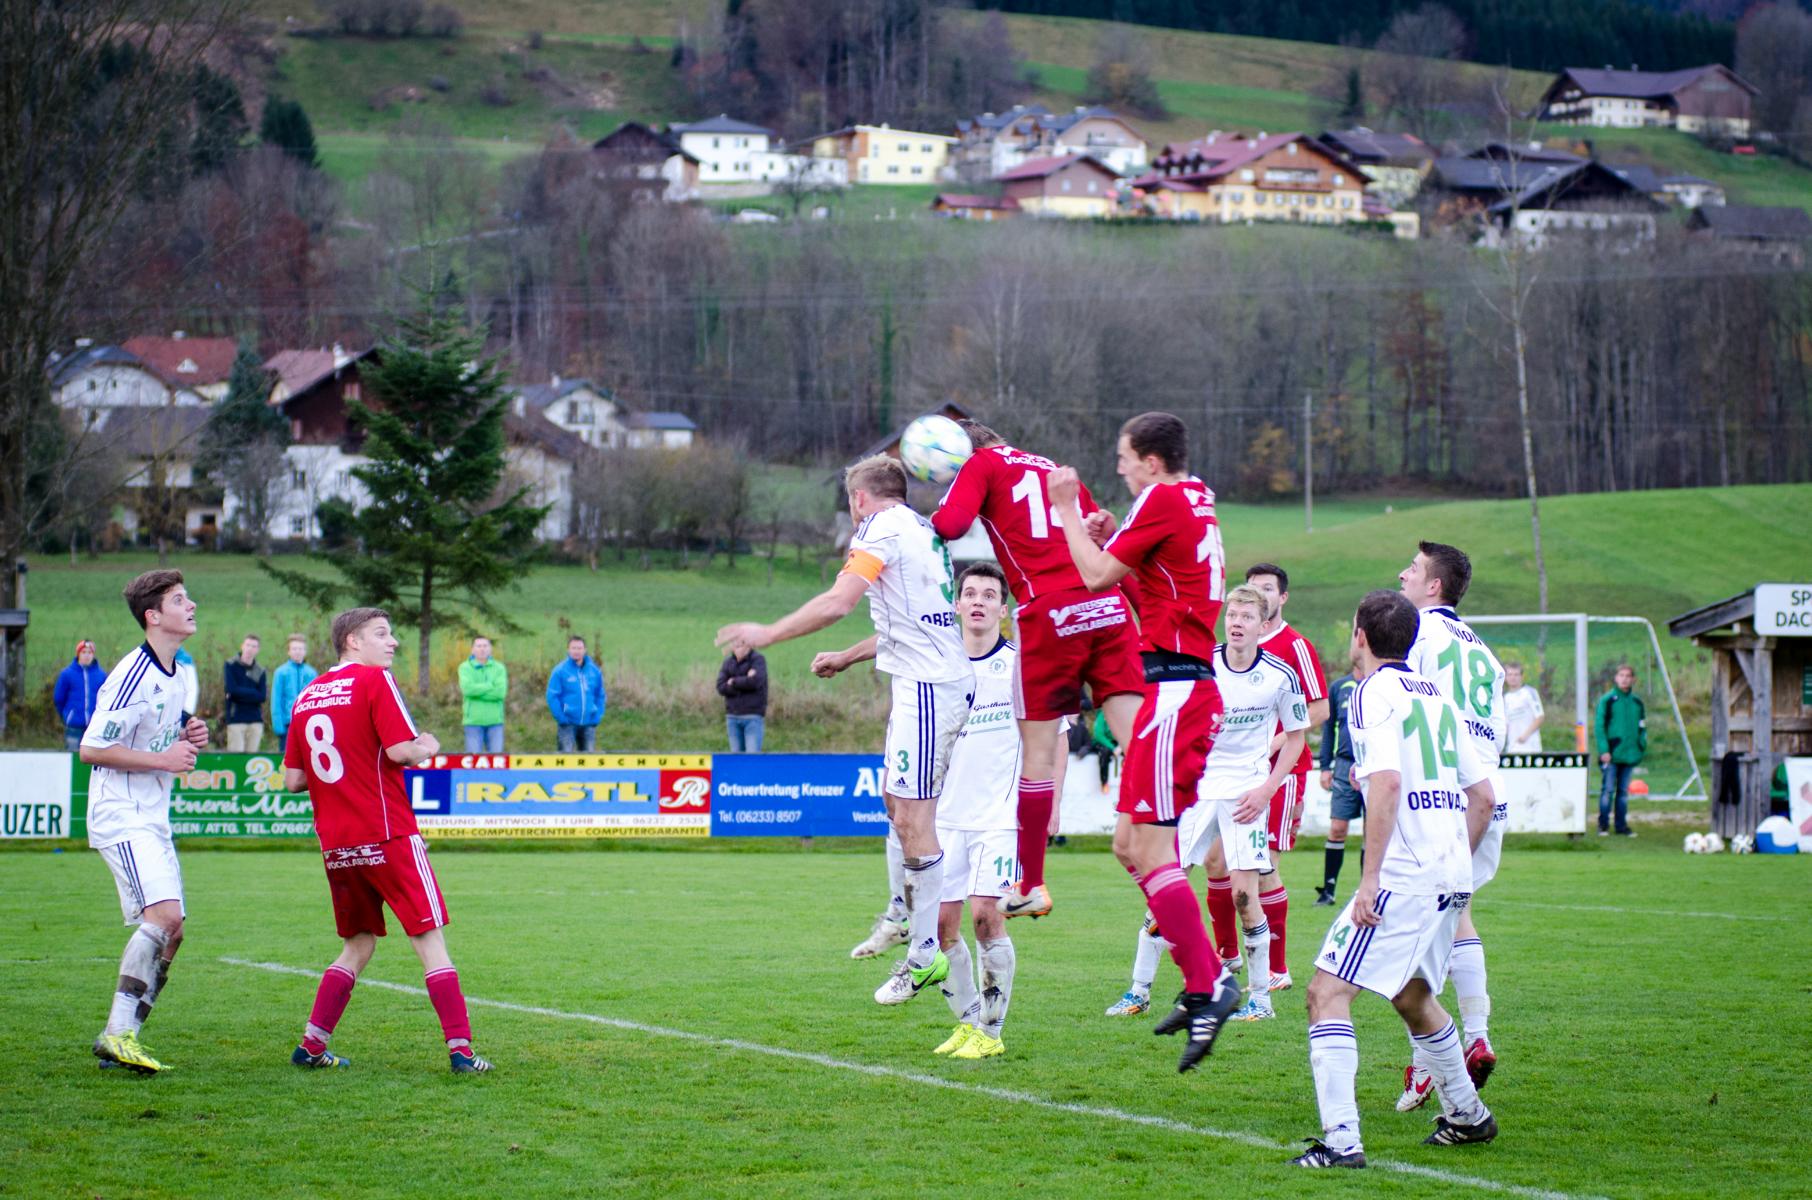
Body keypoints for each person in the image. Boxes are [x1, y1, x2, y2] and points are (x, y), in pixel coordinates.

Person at [723, 454, 972, 1008]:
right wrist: (848, 657)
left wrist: (767, 633)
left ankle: (923, 950)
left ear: (860, 498)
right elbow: (910, 627)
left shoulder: (879, 528)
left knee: (914, 820)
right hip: (926, 684)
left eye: (850, 500)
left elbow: (838, 603)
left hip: (929, 690)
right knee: (897, 806)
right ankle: (911, 923)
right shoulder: (921, 530)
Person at [1047, 412, 1241, 1073]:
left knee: (1154, 851)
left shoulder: (1161, 498)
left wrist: (1069, 512)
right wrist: (1113, 539)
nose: (1120, 467)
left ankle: (1208, 986)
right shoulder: (1193, 496)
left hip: (1178, 689)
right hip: (1172, 686)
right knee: (1129, 844)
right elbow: (1153, 584)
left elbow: (1095, 577)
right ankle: (1207, 975)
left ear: (1151, 462)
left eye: (1125, 457)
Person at [1292, 590, 1499, 1168]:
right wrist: (1452, 861)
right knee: (1413, 996)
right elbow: (1483, 797)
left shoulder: (1368, 693)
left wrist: (1370, 880)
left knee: (1326, 993)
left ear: (1359, 635)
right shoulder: (1437, 696)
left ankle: (1342, 1143)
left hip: (1404, 878)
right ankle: (1469, 1116)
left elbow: (1384, 784)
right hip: (1449, 874)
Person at [929, 420, 1146, 921]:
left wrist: (935, 511)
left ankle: (1031, 883)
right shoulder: (1055, 470)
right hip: (1108, 607)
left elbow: (951, 524)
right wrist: (1144, 616)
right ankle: (1161, 858)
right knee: (1137, 741)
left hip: (1050, 613)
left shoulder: (980, 464)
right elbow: (1111, 550)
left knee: (1038, 753)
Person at [282, 606, 492, 1073]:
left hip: (338, 844)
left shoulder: (307, 695)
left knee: (358, 944)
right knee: (429, 940)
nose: (393, 641)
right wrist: (428, 746)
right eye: (382, 633)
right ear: (352, 641)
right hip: (387, 833)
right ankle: (461, 1052)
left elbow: (292, 779)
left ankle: (312, 1046)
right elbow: (401, 751)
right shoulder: (375, 680)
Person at [1107, 584, 1307, 1023]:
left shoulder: (1280, 675)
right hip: (1198, 790)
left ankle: (1261, 1000)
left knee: (1243, 895)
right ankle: (1138, 991)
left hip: (1246, 794)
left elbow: (1296, 739)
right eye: (1231, 615)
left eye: (1246, 617)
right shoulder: (1202, 666)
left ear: (1263, 625)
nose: (1236, 623)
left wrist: (1267, 789)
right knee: (1164, 887)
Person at [82, 570, 209, 1073]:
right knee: (165, 919)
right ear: (153, 616)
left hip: (152, 814)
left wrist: (188, 733)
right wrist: (165, 759)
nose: (191, 605)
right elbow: (93, 748)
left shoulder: (177, 672)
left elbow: (155, 730)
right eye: (180, 600)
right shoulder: (131, 673)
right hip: (121, 811)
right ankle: (117, 1034)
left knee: (173, 933)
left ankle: (124, 1041)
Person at [1396, 540, 1507, 1109]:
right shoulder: (1484, 652)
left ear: (1433, 585)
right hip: (1489, 792)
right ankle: (1476, 1034)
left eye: (1413, 569)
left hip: (1440, 794)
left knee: (1415, 926)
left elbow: (1410, 709)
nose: (1403, 575)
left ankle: (1429, 1063)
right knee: (1454, 914)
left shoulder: (1417, 633)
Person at [1206, 562, 1325, 992]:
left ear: (1282, 598)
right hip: (1229, 776)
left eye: (1269, 589)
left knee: (1262, 869)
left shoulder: (1295, 647)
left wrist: (1270, 746)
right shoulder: (1226, 652)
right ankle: (1228, 956)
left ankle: (1277, 968)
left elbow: (1319, 709)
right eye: (1253, 588)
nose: (1261, 594)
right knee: (1216, 863)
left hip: (1279, 772)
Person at [924, 563, 1021, 1060]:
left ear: (1002, 610)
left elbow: (1054, 737)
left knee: (986, 917)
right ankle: (966, 1022)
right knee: (940, 929)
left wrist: (1048, 807)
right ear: (957, 605)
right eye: (970, 593)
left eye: (989, 594)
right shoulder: (938, 666)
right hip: (944, 817)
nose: (978, 601)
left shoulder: (1020, 667)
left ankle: (992, 1031)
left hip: (1001, 816)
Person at [1316, 671, 1360, 907]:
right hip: (1343, 765)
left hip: (1375, 765)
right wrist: (1325, 766)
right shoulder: (1339, 686)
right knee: (1337, 828)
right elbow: (1328, 728)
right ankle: (1328, 891)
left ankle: (1368, 891)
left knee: (1374, 831)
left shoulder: (1382, 682)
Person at [1595, 664, 1646, 837]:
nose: (1624, 679)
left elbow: (1642, 727)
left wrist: (1640, 747)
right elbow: (1599, 727)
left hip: (1629, 755)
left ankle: (1621, 826)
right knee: (1608, 791)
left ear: (1633, 679)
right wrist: (1604, 750)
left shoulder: (1637, 703)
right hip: (1611, 754)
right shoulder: (1608, 700)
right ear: (1616, 678)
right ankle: (1603, 825)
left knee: (1623, 793)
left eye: (1627, 676)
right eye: (1621, 675)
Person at [546, 636, 606, 753]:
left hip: (589, 723)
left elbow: (600, 695)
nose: (576, 651)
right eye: (573, 648)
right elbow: (552, 696)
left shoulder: (594, 671)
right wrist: (561, 718)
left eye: (579, 648)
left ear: (585, 650)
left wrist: (597, 716)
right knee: (565, 759)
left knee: (588, 760)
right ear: (568, 650)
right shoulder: (560, 671)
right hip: (567, 724)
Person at [54, 640, 108, 752]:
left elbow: (106, 698)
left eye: (89, 652)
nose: (87, 655)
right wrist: (67, 715)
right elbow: (59, 698)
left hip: (94, 725)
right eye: (83, 652)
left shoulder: (101, 675)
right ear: (78, 654)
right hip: (74, 725)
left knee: (92, 755)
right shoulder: (67, 674)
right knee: (73, 754)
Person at [458, 636, 508, 754]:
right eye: (479, 646)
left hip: (495, 721)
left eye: (485, 646)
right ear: (472, 649)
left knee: (497, 759)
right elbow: (468, 690)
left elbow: (500, 693)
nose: (482, 649)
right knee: (473, 760)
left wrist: (477, 690)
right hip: (473, 722)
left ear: (490, 649)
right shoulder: (465, 667)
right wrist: (490, 686)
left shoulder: (499, 668)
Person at [717, 641, 768, 752]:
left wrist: (733, 681)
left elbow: (755, 682)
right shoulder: (727, 663)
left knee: (752, 757)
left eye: (741, 645)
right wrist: (745, 680)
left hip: (752, 717)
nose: (737, 648)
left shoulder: (758, 660)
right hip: (732, 717)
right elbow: (720, 687)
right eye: (735, 645)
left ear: (748, 645)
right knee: (736, 758)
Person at [270, 634, 318, 751]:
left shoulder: (311, 673)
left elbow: (316, 699)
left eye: (300, 649)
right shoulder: (281, 672)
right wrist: (278, 726)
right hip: (287, 725)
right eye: (294, 649)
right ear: (289, 651)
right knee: (287, 757)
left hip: (307, 723)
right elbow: (276, 700)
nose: (297, 652)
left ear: (305, 651)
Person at [222, 634, 268, 752]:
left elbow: (262, 696)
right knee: (236, 758)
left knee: (252, 759)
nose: (250, 649)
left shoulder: (260, 671)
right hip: (236, 720)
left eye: (254, 646)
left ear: (258, 650)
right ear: (242, 646)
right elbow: (231, 690)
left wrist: (239, 694)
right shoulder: (230, 665)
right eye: (248, 645)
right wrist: (253, 693)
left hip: (255, 721)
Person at [1504, 663, 1545, 753]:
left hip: (1530, 747)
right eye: (1510, 675)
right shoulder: (1505, 698)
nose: (1513, 677)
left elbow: (1540, 717)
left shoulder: (1529, 692)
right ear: (1506, 677)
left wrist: (1525, 735)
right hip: (1512, 748)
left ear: (1521, 676)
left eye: (1516, 674)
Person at [172, 646, 199, 720]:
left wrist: (187, 710)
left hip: (182, 711)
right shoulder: (160, 657)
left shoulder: (185, 659)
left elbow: (192, 686)